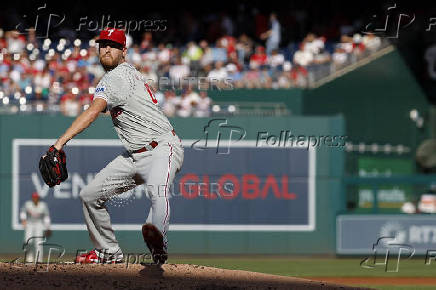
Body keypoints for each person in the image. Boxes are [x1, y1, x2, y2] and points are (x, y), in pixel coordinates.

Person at [48, 28, 184, 265]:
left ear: (124, 51)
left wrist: (59, 143)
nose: (106, 49)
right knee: (89, 195)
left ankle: (158, 238)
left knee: (157, 190)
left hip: (163, 146)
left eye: (113, 45)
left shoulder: (117, 76)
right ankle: (108, 252)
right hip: (134, 155)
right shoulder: (119, 76)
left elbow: (92, 112)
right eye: (103, 45)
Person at [20, 192, 51, 263]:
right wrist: (23, 220)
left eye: (36, 197)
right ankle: (29, 259)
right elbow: (23, 212)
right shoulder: (28, 204)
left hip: (39, 224)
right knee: (28, 241)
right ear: (32, 198)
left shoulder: (43, 205)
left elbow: (46, 217)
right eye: (34, 197)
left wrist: (48, 227)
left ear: (38, 198)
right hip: (30, 224)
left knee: (38, 242)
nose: (35, 199)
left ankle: (39, 259)